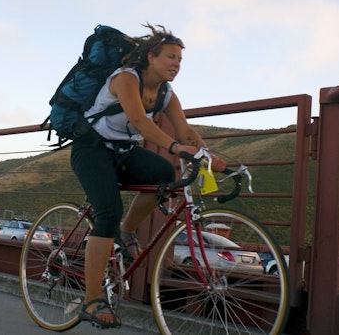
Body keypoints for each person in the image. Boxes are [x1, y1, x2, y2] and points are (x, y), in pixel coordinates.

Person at [70, 23, 227, 328]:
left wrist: (207, 154)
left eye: (180, 60)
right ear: (151, 57)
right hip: (91, 149)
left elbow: (185, 131)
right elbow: (140, 122)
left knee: (165, 175)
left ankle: (127, 231)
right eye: (170, 57)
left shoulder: (167, 93)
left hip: (123, 152)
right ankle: (91, 300)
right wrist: (174, 146)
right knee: (107, 213)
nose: (176, 64)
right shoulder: (127, 78)